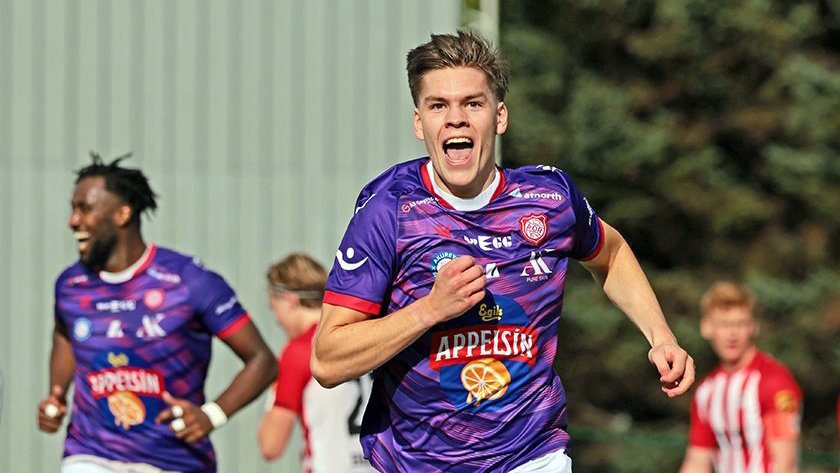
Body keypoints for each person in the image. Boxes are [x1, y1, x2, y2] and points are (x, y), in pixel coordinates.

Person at [310, 30, 695, 472]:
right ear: (420, 123)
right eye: (439, 105)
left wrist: (661, 337)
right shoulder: (389, 209)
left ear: (500, 116)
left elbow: (612, 254)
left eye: (473, 103)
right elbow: (327, 359)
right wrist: (429, 310)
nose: (456, 119)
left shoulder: (549, 199)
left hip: (532, 456)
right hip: (415, 461)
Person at [37, 153, 277, 473]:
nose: (73, 220)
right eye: (72, 209)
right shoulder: (71, 285)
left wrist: (213, 414)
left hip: (174, 459)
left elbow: (262, 360)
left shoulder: (188, 281)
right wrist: (56, 392)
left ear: (122, 214)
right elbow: (64, 334)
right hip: (90, 453)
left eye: (84, 208)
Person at [257, 254, 375, 472]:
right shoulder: (364, 334)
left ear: (290, 300)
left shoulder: (300, 351)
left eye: (275, 308)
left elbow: (270, 445)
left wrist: (275, 384)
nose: (277, 320)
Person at [679, 281, 802, 473]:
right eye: (724, 324)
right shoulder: (706, 390)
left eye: (740, 324)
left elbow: (785, 463)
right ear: (706, 327)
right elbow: (697, 460)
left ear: (754, 327)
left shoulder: (774, 380)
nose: (732, 333)